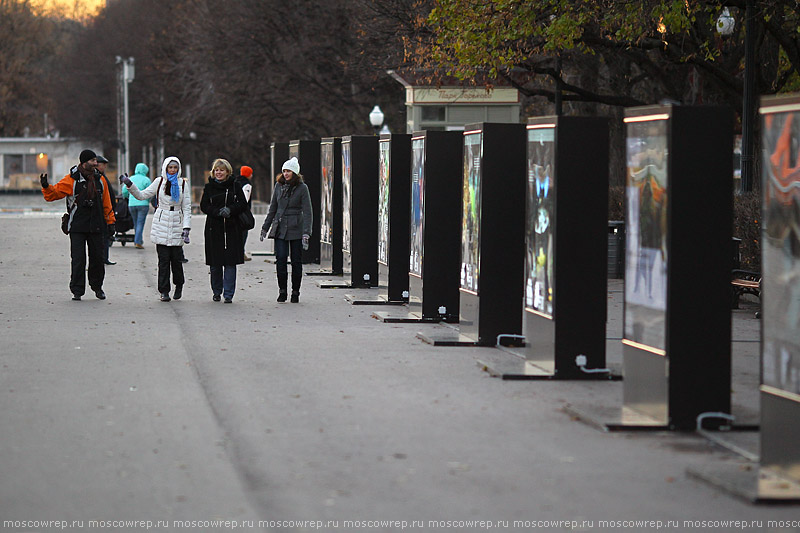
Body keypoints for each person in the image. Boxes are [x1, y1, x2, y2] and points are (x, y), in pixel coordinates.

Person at [40, 149, 116, 301]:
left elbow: (107, 203)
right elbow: (54, 194)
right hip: (77, 227)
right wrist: (46, 186)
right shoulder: (71, 180)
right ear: (84, 162)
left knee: (97, 259)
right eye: (93, 161)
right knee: (78, 259)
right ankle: (77, 290)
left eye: (96, 161)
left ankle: (97, 287)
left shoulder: (100, 180)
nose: (96, 163)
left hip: (96, 225)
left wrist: (111, 223)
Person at [121, 156, 191, 302]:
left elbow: (187, 207)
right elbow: (142, 195)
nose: (172, 170)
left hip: (177, 221)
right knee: (163, 260)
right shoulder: (159, 182)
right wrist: (130, 185)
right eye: (170, 167)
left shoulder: (182, 184)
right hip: (161, 222)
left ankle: (179, 284)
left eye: (175, 167)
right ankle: (164, 291)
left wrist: (186, 228)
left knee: (176, 260)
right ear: (165, 168)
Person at [260, 157, 312, 303]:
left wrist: (306, 232)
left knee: (296, 261)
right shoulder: (279, 186)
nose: (285, 174)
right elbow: (273, 208)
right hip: (280, 227)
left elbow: (308, 212)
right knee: (281, 259)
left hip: (296, 227)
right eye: (284, 171)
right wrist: (265, 227)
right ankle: (282, 291)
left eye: (288, 171)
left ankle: (295, 292)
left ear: (295, 172)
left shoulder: (302, 188)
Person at [200, 158, 247, 303]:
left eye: (222, 170)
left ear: (227, 172)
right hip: (214, 227)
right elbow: (204, 206)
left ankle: (228, 294)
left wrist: (230, 210)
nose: (219, 173)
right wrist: (217, 212)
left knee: (230, 263)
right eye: (216, 170)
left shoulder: (235, 186)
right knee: (215, 263)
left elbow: (242, 204)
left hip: (232, 228)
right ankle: (216, 291)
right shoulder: (209, 188)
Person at [122, 162, 152, 249]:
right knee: (140, 223)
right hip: (143, 204)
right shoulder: (146, 180)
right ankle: (138, 241)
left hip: (131, 204)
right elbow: (150, 192)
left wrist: (127, 197)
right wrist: (148, 200)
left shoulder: (131, 178)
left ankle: (139, 240)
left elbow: (124, 190)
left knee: (136, 223)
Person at [96, 155, 118, 265]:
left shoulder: (102, 176)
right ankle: (103, 257)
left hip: (106, 212)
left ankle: (104, 257)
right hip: (103, 213)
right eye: (103, 164)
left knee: (105, 236)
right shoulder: (98, 177)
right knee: (103, 236)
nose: (105, 167)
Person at [234, 165, 253, 261]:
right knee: (243, 232)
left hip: (234, 211)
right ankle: (241, 252)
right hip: (242, 212)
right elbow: (245, 199)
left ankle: (236, 251)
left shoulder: (235, 182)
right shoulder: (247, 185)